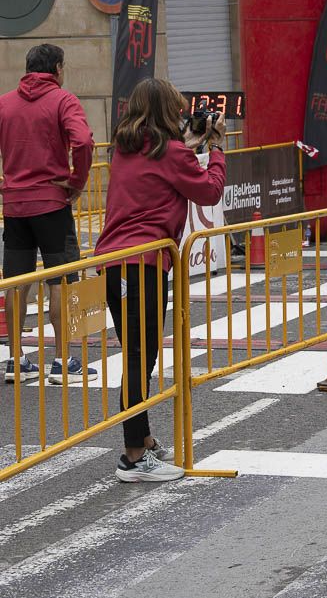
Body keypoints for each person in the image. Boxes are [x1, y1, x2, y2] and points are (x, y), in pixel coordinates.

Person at [94, 77, 226, 481]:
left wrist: (187, 143)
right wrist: (216, 149)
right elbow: (209, 191)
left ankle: (143, 440)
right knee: (140, 356)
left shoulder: (125, 148)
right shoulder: (170, 153)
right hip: (146, 262)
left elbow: (164, 165)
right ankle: (134, 456)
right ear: (168, 112)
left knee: (136, 352)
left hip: (116, 262)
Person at [0, 43, 96, 384]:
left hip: (14, 205)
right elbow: (83, 141)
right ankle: (61, 360)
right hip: (52, 203)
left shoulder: (5, 103)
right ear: (56, 68)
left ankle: (16, 360)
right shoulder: (63, 100)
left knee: (17, 283)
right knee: (61, 279)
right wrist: (76, 181)